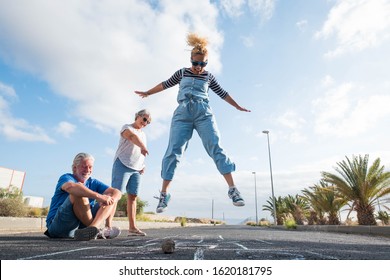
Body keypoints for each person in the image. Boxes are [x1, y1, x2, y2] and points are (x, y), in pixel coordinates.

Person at [135, 33, 250, 213]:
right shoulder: (182, 73)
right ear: (191, 60)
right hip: (182, 114)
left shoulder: (209, 77)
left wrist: (237, 106)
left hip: (204, 113)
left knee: (215, 146)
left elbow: (223, 93)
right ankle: (164, 194)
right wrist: (148, 93)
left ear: (206, 63)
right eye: (196, 63)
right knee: (173, 150)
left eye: (203, 64)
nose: (198, 67)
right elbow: (165, 84)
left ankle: (233, 189)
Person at [45, 153, 122, 241]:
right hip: (58, 226)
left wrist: (110, 200)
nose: (87, 170)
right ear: (74, 168)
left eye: (90, 167)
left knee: (111, 196)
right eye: (84, 167)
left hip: (80, 228)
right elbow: (70, 187)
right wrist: (99, 197)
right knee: (79, 192)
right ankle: (96, 231)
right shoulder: (66, 177)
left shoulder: (93, 182)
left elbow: (117, 192)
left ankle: (97, 229)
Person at [111, 109, 151, 236]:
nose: (145, 123)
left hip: (136, 168)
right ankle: (107, 226)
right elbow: (132, 137)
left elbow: (140, 153)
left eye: (148, 122)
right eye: (144, 119)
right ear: (137, 116)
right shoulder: (126, 127)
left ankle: (132, 228)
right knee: (116, 195)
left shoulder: (144, 135)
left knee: (133, 197)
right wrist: (143, 147)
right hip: (122, 163)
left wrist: (142, 165)